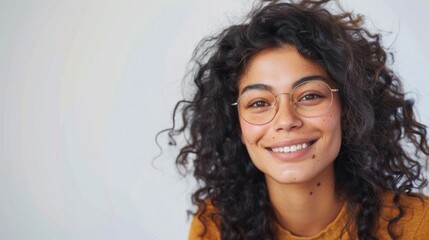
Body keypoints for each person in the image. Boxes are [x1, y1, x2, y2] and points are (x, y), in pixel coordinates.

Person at [165, 0, 429, 239]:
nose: (286, 120)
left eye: (309, 96)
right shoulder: (215, 225)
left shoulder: (417, 225)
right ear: (237, 126)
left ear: (348, 112)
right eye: (259, 103)